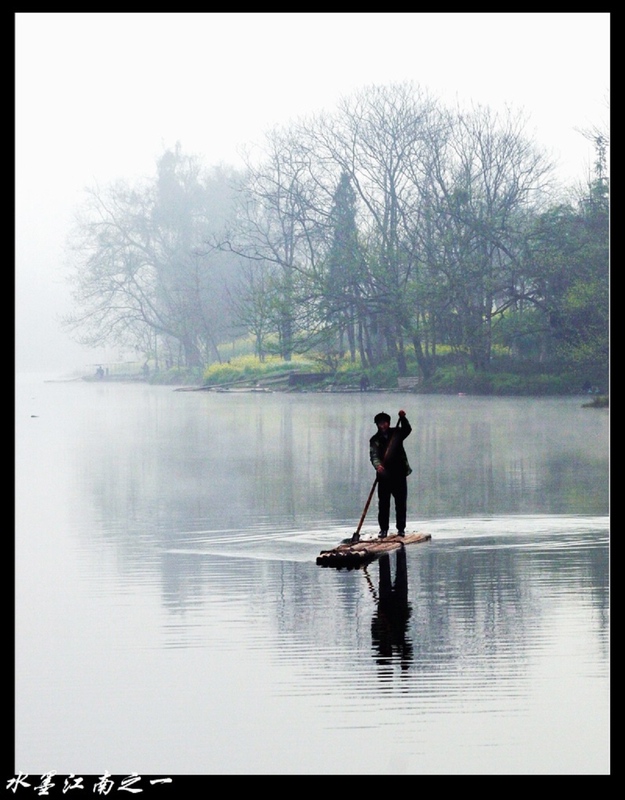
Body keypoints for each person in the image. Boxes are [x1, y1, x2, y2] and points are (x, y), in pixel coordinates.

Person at [369, 410, 412, 538]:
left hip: (399, 473)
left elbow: (407, 429)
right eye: (380, 423)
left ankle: (401, 529)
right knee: (383, 504)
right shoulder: (375, 440)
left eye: (385, 423)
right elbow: (374, 455)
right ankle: (383, 530)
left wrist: (403, 418)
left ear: (389, 423)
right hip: (384, 476)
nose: (383, 426)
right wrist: (378, 466)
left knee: (400, 503)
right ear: (377, 425)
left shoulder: (397, 433)